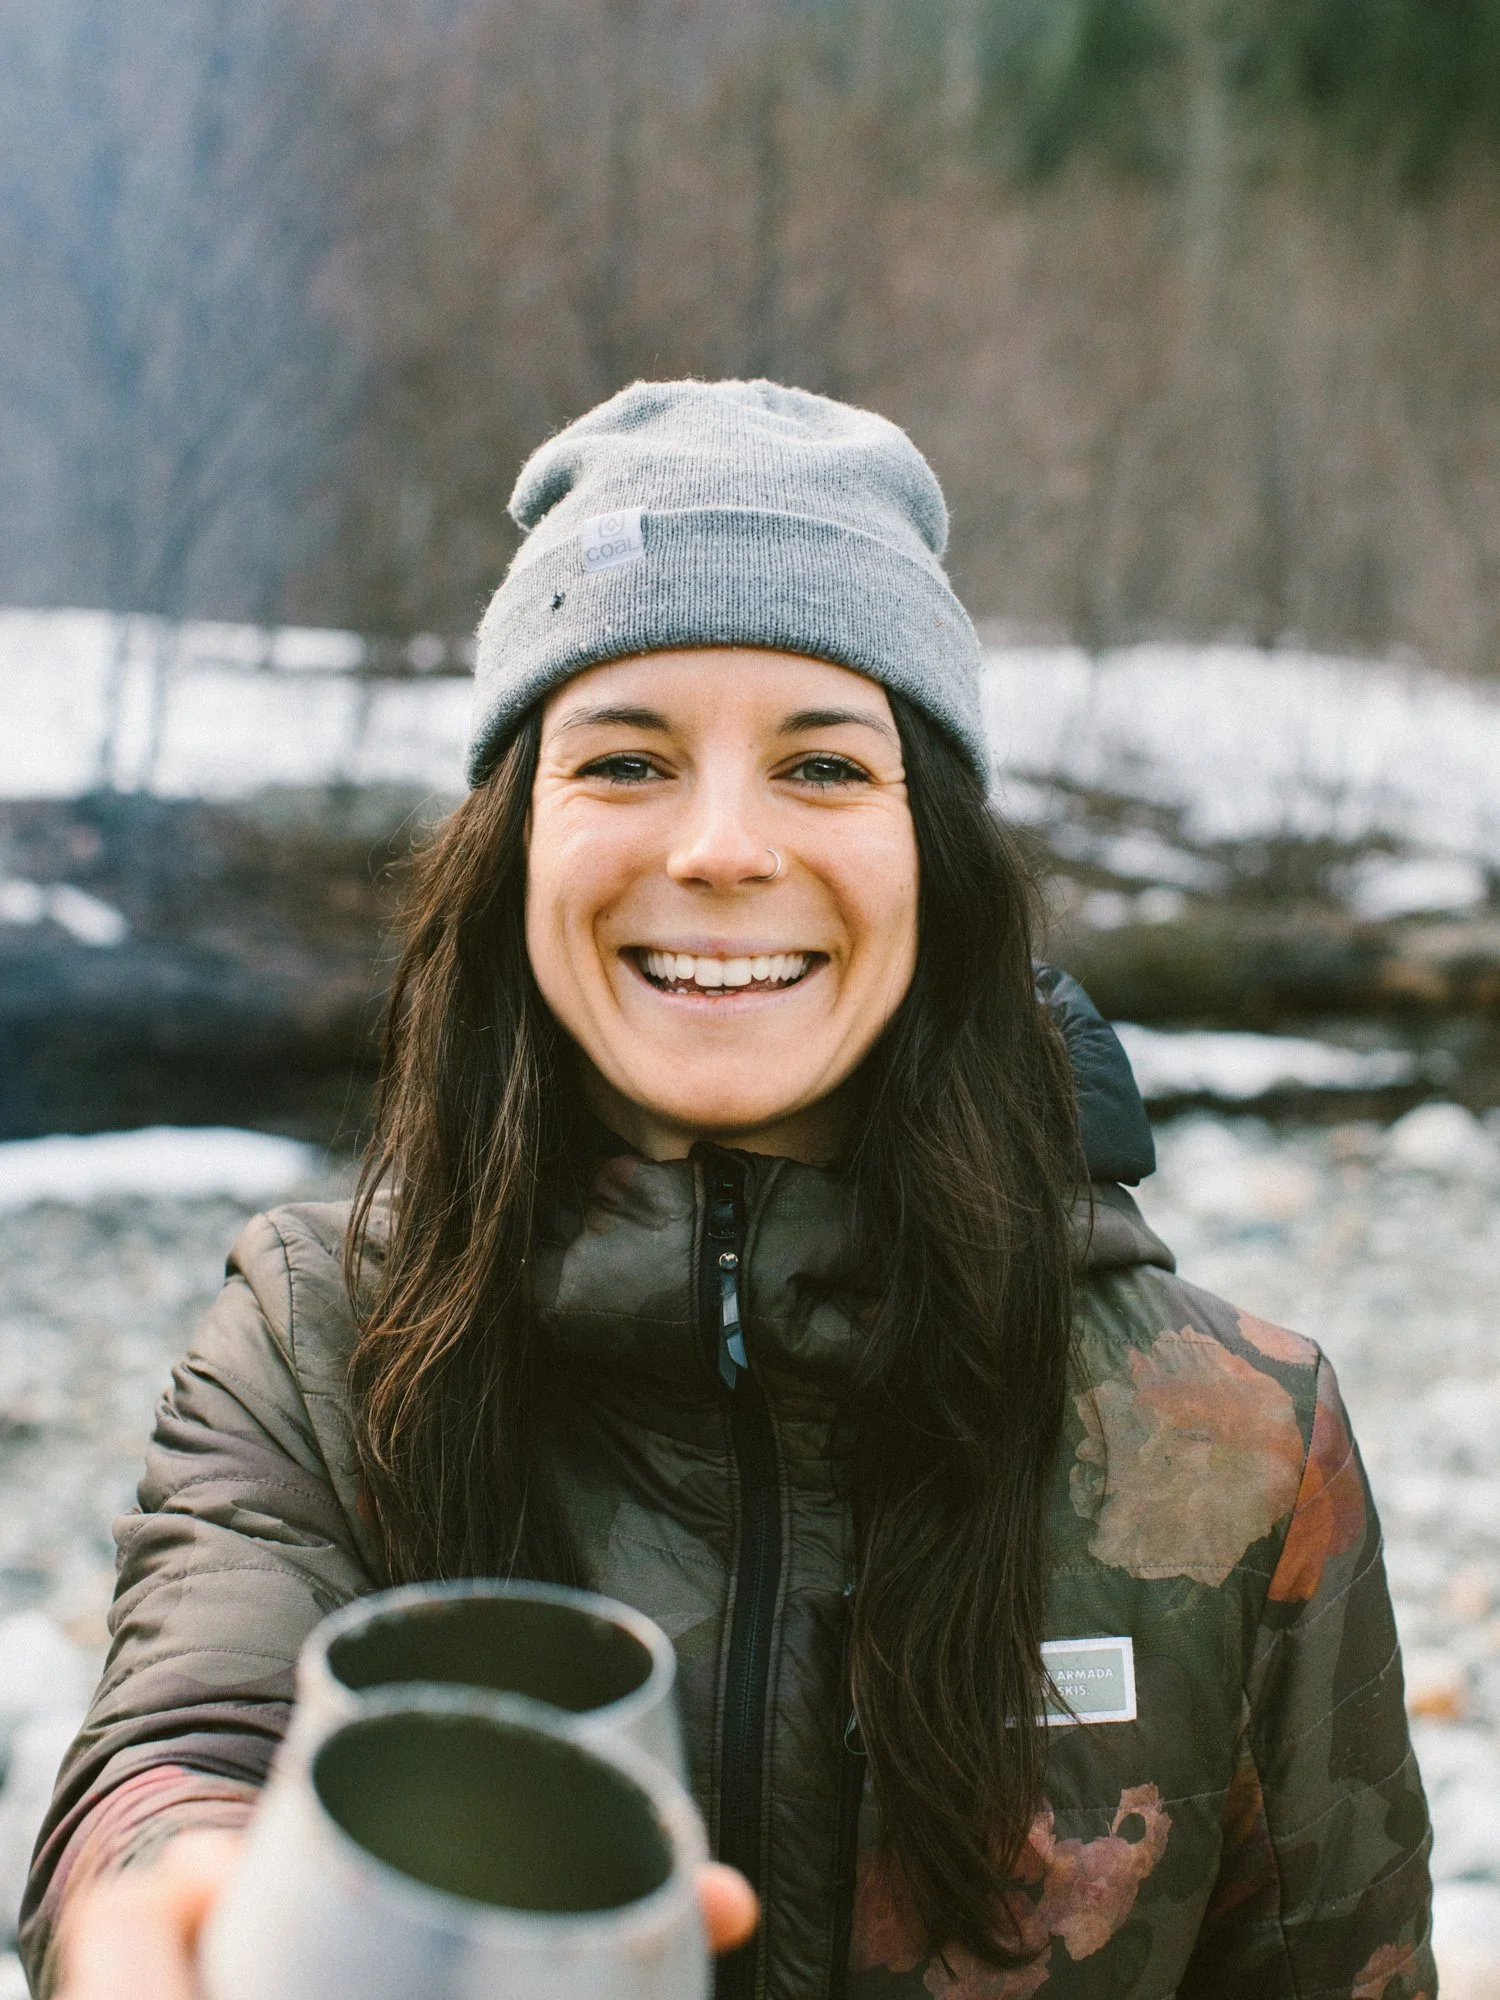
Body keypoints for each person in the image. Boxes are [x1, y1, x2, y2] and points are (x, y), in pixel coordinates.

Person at [24, 381, 1433, 2000]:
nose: (719, 848)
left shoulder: (1240, 1433)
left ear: (936, 854)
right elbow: (186, 1752)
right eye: (626, 760)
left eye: (822, 766)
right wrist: (175, 1905)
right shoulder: (317, 1339)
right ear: (514, 844)